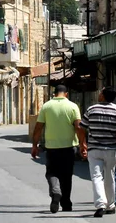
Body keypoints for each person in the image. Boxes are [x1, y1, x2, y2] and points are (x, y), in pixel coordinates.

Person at [31, 84, 86, 214]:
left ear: (54, 94)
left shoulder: (46, 106)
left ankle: (55, 191)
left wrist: (34, 145)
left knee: (51, 172)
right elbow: (78, 127)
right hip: (69, 147)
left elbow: (38, 127)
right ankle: (66, 203)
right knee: (67, 176)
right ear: (66, 94)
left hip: (51, 148)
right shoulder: (73, 106)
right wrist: (83, 144)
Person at [79, 87, 116, 218]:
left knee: (96, 177)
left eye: (100, 93)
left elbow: (81, 127)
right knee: (110, 177)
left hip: (94, 149)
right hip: (111, 150)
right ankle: (110, 205)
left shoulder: (91, 109)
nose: (99, 94)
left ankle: (100, 204)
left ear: (103, 96)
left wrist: (82, 143)